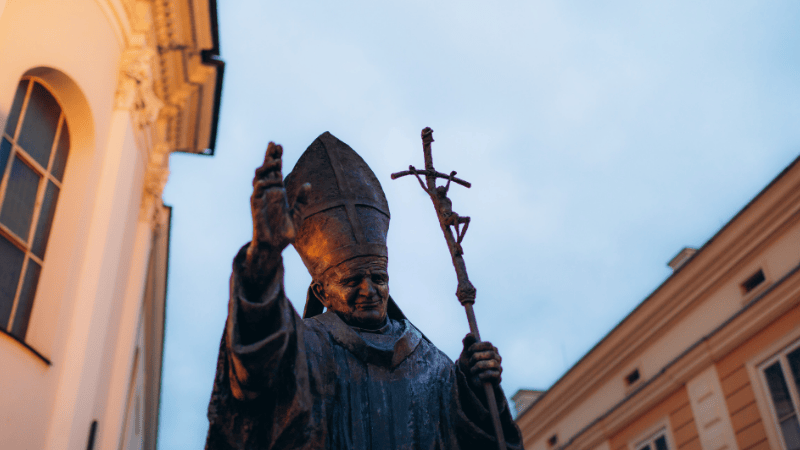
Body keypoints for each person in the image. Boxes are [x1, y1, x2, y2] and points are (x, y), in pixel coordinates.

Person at [205, 132, 523, 449]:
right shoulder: (301, 346)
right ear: (320, 292)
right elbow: (253, 367)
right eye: (351, 281)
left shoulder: (431, 364)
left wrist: (474, 386)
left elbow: (481, 439)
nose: (369, 290)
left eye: (379, 278)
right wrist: (265, 253)